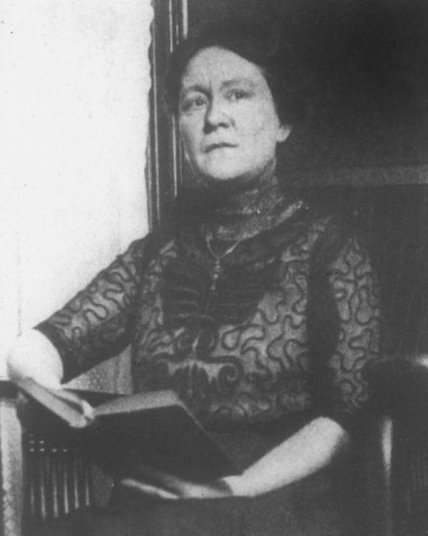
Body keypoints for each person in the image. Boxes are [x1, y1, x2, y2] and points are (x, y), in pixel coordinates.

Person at [8, 18, 381, 536]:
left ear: (283, 122)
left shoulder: (330, 246)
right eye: (194, 102)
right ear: (180, 129)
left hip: (281, 497)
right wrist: (52, 395)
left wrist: (240, 486)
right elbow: (39, 347)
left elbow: (346, 414)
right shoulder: (157, 254)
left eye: (239, 94)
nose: (214, 117)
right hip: (159, 498)